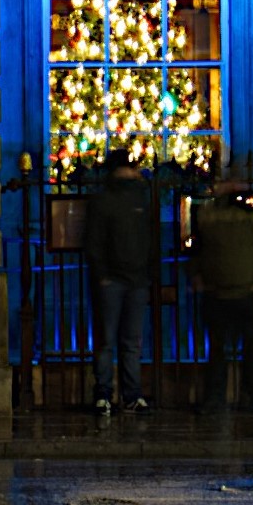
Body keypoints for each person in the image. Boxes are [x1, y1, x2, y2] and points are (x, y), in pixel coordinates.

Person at [73, 144, 159, 415]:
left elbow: (94, 242)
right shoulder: (141, 199)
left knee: (106, 340)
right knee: (130, 342)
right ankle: (131, 395)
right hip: (134, 279)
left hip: (114, 280)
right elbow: (152, 240)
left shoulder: (104, 200)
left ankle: (104, 394)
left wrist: (102, 276)